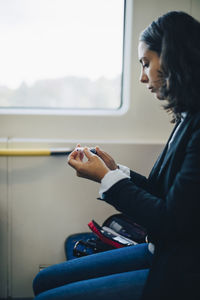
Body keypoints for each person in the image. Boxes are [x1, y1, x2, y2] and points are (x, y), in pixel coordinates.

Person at [33, 11, 200, 300]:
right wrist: (115, 170)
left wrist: (107, 178)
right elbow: (164, 194)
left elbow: (171, 221)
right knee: (43, 280)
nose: (142, 76)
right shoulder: (186, 118)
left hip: (183, 268)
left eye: (146, 64)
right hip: (159, 250)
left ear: (173, 59)